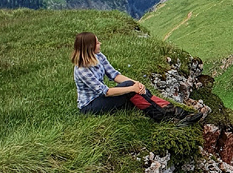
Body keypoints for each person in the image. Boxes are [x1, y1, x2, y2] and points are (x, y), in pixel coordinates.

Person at [72, 32, 203, 125]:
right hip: (90, 105)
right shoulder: (82, 70)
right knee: (131, 90)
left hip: (103, 97)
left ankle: (177, 112)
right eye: (97, 42)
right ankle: (166, 117)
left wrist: (136, 84)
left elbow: (115, 75)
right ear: (90, 47)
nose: (100, 43)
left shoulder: (99, 56)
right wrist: (132, 87)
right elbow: (106, 91)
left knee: (137, 90)